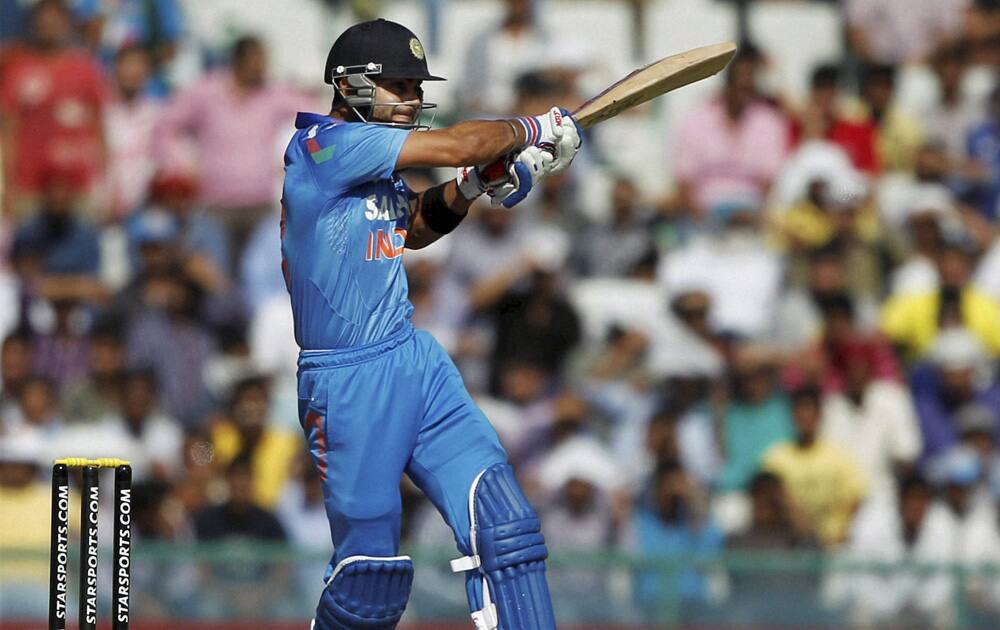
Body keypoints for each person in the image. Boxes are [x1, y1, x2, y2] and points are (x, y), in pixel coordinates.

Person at [280, 19, 581, 630]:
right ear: (351, 84)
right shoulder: (324, 147)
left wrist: (472, 187)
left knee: (507, 528)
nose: (413, 99)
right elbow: (459, 144)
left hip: (414, 359)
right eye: (399, 85)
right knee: (369, 579)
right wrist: (529, 128)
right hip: (348, 380)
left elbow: (410, 229)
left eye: (418, 86)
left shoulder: (374, 167)